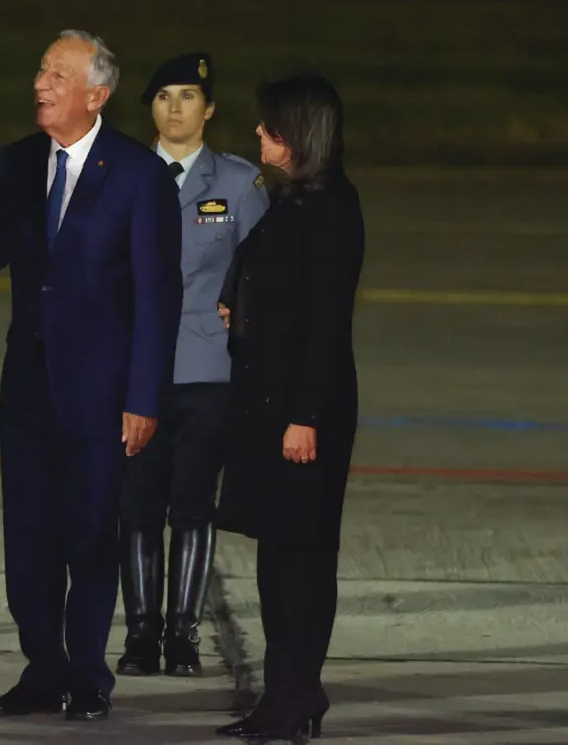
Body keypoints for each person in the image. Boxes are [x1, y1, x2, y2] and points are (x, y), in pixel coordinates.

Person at [0, 30, 183, 722]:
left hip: (102, 395)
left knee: (88, 535)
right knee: (29, 538)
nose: (40, 84)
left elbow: (157, 297)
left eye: (56, 74)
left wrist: (144, 395)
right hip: (28, 388)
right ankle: (41, 668)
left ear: (95, 94)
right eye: (41, 70)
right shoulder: (18, 162)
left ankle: (87, 676)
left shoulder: (138, 176)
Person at [212, 74, 364, 741]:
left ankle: (297, 695)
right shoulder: (295, 200)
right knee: (279, 558)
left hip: (303, 411)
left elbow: (326, 321)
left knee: (300, 559)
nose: (258, 136)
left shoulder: (330, 207)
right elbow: (263, 267)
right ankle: (287, 692)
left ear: (298, 135)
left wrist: (303, 415)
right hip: (271, 402)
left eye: (269, 128)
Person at [116, 53, 269, 678]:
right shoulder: (120, 174)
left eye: (188, 96)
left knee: (192, 504)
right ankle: (139, 634)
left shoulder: (238, 183)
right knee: (136, 505)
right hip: (134, 371)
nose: (174, 108)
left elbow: (261, 275)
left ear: (208, 109)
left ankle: (181, 634)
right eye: (162, 96)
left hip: (207, 370)